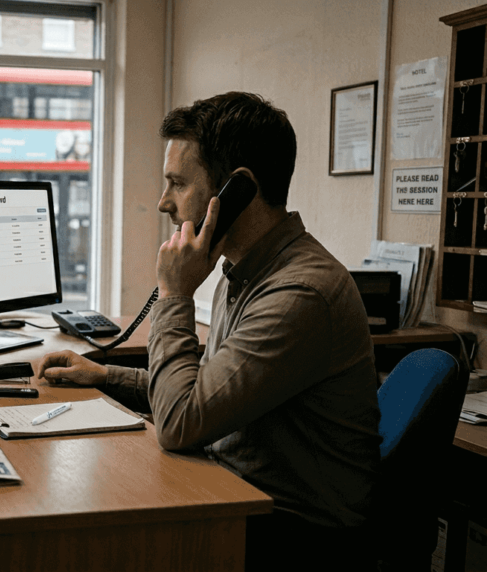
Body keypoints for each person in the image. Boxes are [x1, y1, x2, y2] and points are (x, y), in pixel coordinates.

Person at [37, 92, 381, 571]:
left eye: (177, 183)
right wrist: (105, 376)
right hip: (236, 494)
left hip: (292, 535)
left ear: (237, 190)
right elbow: (208, 389)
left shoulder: (300, 294)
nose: (164, 203)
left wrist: (175, 294)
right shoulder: (243, 272)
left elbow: (181, 422)